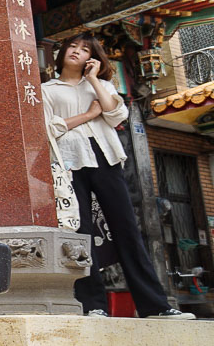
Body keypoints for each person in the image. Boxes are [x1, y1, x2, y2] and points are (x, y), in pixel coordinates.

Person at [42, 32, 195, 319]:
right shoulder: (47, 89)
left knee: (127, 230)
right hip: (71, 163)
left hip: (106, 159)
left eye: (85, 49)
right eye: (72, 46)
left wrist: (93, 81)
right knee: (81, 234)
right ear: (61, 52)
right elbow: (49, 128)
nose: (76, 51)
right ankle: (93, 305)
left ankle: (155, 306)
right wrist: (88, 115)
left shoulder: (102, 85)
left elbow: (115, 116)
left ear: (93, 59)